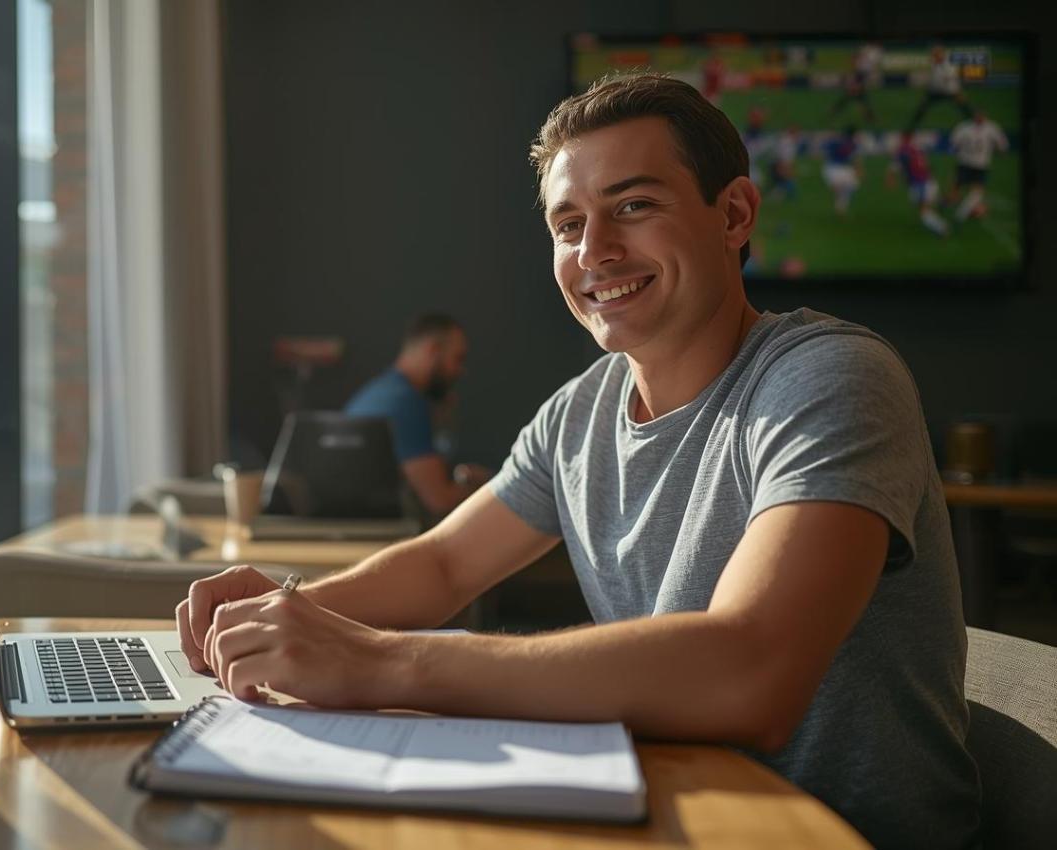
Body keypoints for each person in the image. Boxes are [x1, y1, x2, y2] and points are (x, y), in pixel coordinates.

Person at [177, 73, 979, 849]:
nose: (595, 251)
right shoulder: (581, 412)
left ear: (734, 213)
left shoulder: (830, 376)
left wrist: (381, 662)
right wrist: (280, 621)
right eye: (568, 225)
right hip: (668, 812)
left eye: (634, 206)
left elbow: (750, 674)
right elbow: (444, 565)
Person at [342, 314, 491, 518]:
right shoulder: (407, 403)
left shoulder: (374, 393)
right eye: (457, 359)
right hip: (380, 526)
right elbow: (440, 500)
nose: (460, 371)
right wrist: (487, 486)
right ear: (433, 350)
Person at [948, 109, 1009, 222]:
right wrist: (1002, 151)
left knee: (975, 189)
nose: (979, 118)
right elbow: (1002, 143)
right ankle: (962, 206)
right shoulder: (969, 127)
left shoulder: (988, 127)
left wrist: (1002, 150)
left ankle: (969, 209)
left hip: (980, 164)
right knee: (959, 185)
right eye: (977, 115)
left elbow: (954, 142)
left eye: (980, 116)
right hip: (967, 162)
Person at [893, 134, 950, 236]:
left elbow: (898, 165)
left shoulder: (903, 151)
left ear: (904, 139)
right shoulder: (917, 149)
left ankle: (942, 228)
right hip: (928, 181)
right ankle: (941, 202)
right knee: (923, 206)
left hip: (921, 184)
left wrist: (893, 176)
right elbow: (926, 165)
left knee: (923, 211)